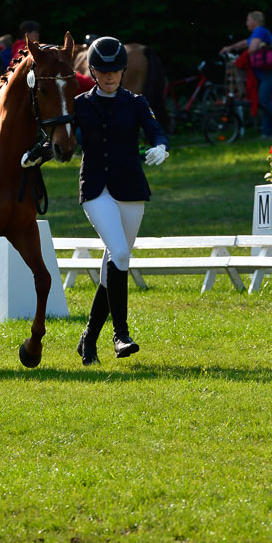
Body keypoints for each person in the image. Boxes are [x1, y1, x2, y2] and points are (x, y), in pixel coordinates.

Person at [74, 36, 169, 364]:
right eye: (103, 71)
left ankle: (88, 338)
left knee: (116, 264)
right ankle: (121, 334)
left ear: (124, 71)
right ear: (93, 71)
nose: (111, 76)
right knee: (120, 252)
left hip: (130, 188)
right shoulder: (79, 104)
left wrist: (160, 146)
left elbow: (156, 131)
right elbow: (59, 139)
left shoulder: (136, 102)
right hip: (95, 190)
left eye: (116, 71)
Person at [220, 11, 272, 139]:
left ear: (255, 21)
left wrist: (242, 57)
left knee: (264, 100)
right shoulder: (257, 34)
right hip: (266, 74)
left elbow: (252, 48)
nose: (246, 23)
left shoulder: (260, 30)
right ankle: (267, 134)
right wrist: (230, 48)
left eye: (248, 20)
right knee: (265, 101)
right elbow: (246, 43)